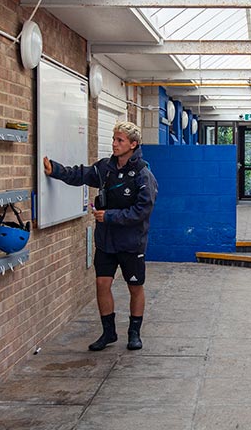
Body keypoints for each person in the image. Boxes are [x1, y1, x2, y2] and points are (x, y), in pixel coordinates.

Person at [43, 121, 158, 351]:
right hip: (106, 242)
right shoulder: (106, 168)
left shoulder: (143, 175)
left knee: (135, 287)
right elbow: (81, 174)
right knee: (101, 284)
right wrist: (54, 170)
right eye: (114, 139)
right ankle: (109, 332)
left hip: (131, 242)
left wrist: (111, 217)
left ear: (133, 144)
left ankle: (134, 333)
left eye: (120, 140)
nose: (114, 144)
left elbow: (142, 211)